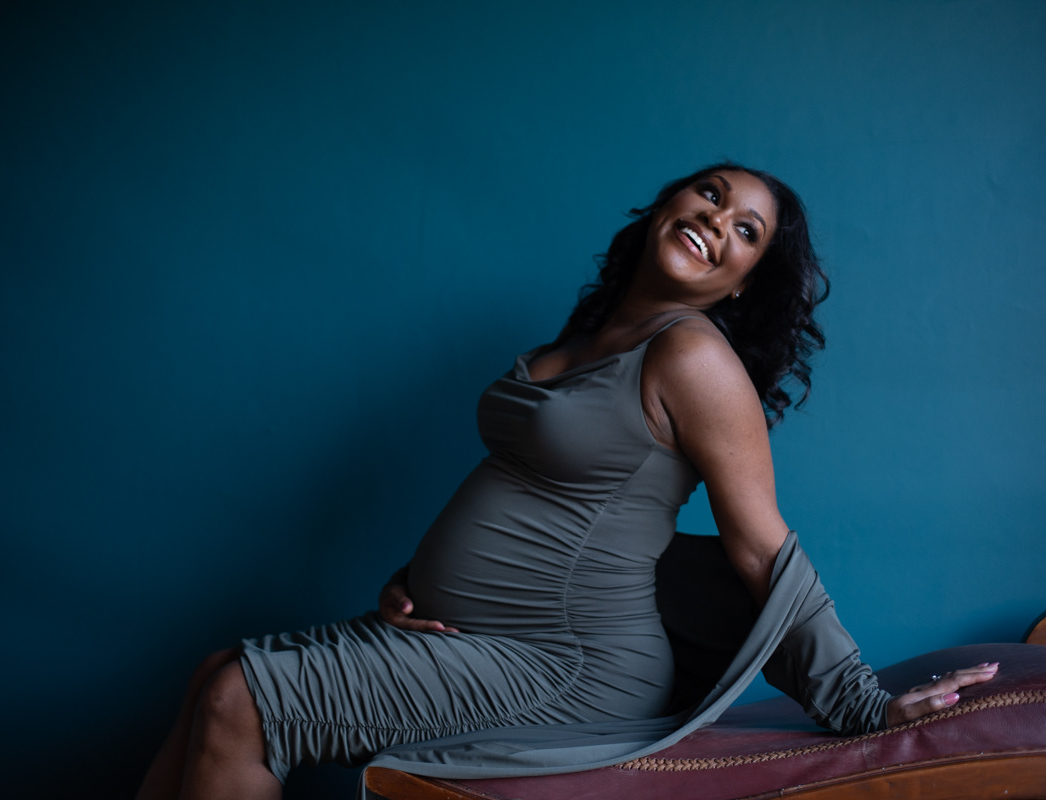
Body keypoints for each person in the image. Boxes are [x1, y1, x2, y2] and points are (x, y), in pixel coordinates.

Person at [137, 164, 998, 800]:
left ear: (743, 285)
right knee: (215, 671)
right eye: (711, 195)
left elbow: (759, 544)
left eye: (747, 231)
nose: (717, 219)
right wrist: (419, 576)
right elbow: (545, 492)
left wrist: (861, 702)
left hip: (570, 665)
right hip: (478, 635)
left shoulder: (692, 357)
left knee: (238, 699)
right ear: (666, 204)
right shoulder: (591, 336)